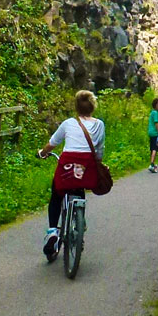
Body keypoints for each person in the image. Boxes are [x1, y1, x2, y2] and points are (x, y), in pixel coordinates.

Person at [38, 89, 106, 260]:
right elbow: (99, 150)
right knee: (79, 187)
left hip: (67, 164)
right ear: (93, 107)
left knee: (56, 194)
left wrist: (42, 152)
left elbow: (52, 144)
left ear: (76, 107)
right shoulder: (99, 125)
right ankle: (79, 221)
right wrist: (97, 161)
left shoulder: (68, 123)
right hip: (86, 166)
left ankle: (53, 231)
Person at [147, 97, 158, 172]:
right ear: (155, 105)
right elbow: (157, 124)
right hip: (155, 132)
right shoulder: (155, 113)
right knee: (155, 148)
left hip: (151, 132)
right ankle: (152, 163)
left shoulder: (152, 112)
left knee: (156, 147)